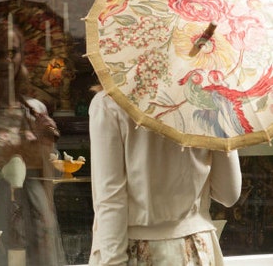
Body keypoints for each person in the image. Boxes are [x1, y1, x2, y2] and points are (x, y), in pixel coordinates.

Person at [88, 86, 242, 265]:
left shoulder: (110, 103)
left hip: (137, 250)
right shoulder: (212, 101)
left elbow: (110, 199)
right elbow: (228, 194)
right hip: (197, 248)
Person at [0, 19, 66, 266]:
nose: (6, 60)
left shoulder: (35, 109)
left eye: (13, 52)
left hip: (35, 205)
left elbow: (50, 174)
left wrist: (45, 144)